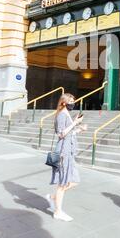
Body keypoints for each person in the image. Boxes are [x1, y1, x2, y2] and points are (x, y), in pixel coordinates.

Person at [46, 93, 87, 221]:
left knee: (74, 181)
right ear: (63, 102)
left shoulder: (66, 114)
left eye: (74, 100)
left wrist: (79, 129)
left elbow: (69, 134)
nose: (73, 103)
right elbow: (61, 134)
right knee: (63, 184)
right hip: (63, 152)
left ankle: (53, 198)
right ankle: (58, 211)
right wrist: (75, 122)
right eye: (70, 101)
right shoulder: (62, 115)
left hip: (69, 152)